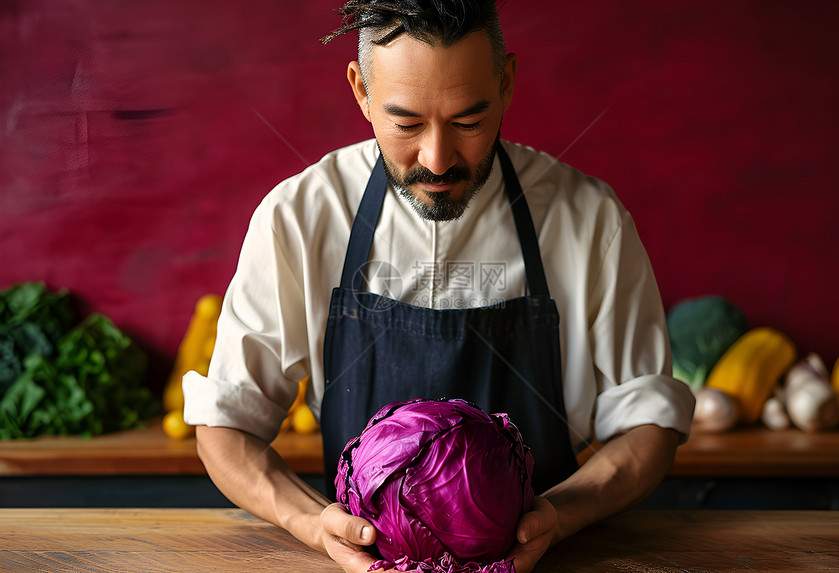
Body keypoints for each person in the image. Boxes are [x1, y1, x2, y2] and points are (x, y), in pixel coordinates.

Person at [183, 1, 695, 572]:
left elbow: (648, 422)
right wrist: (311, 524)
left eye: (468, 122)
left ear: (505, 84)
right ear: (361, 91)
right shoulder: (300, 217)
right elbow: (226, 426)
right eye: (406, 124)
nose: (437, 158)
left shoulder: (589, 219)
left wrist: (562, 515)